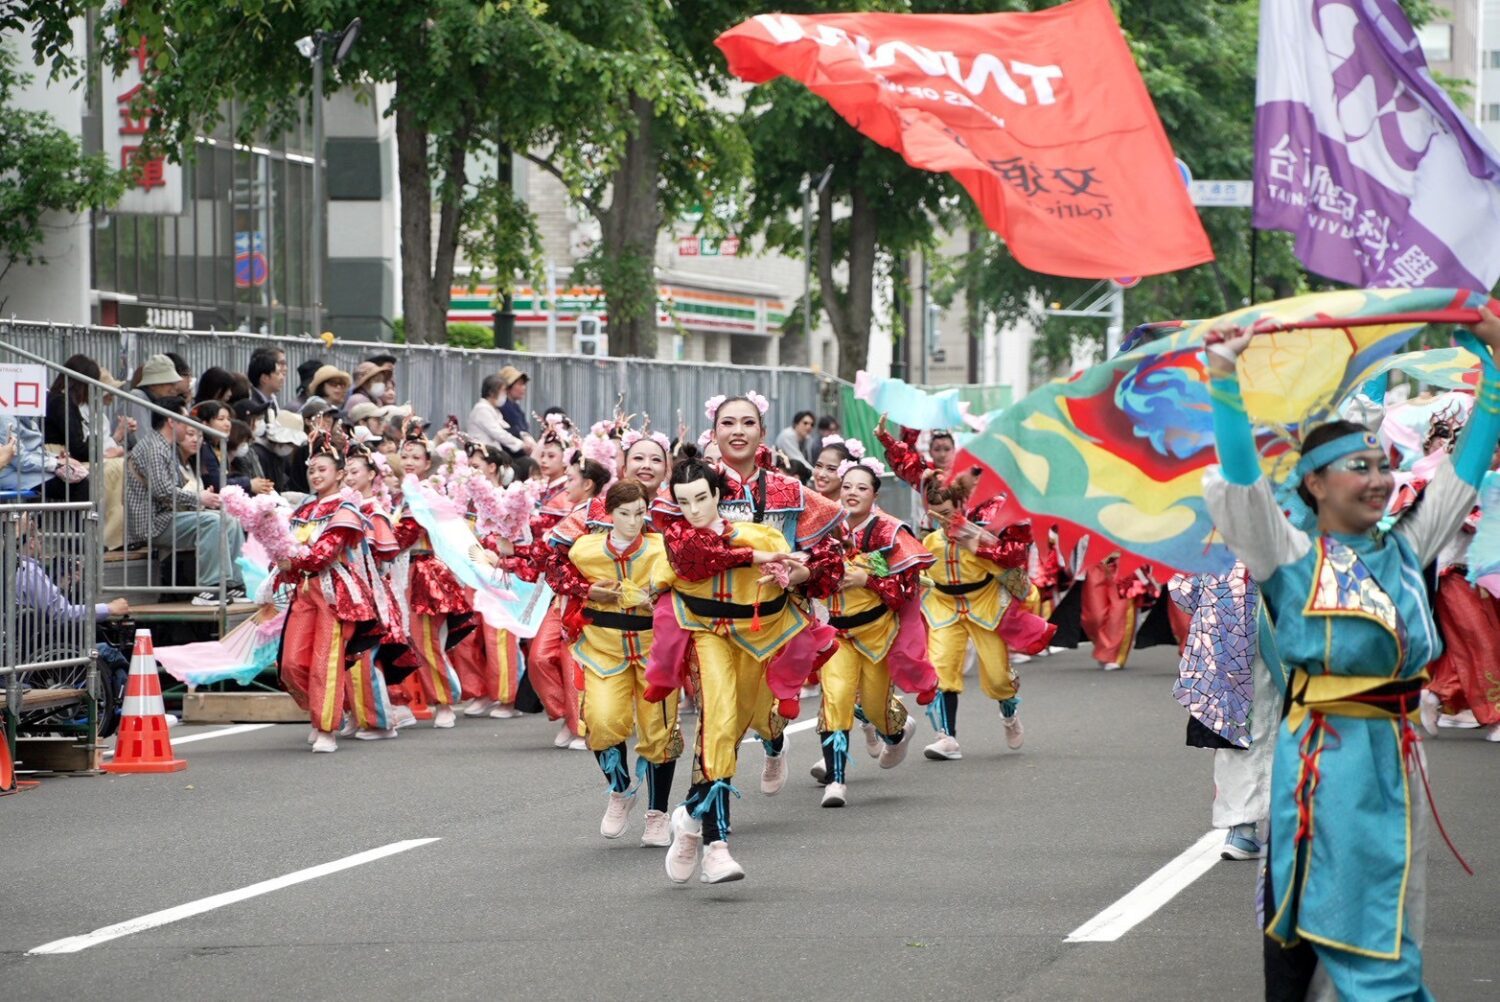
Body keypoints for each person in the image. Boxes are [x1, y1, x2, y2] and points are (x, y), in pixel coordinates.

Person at [1203, 312, 1500, 1001]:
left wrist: (1493, 364)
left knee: (1394, 918)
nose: (1378, 479)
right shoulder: (1289, 555)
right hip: (1325, 762)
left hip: (1396, 759)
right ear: (1314, 484)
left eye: (1383, 465)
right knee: (1350, 936)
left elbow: (1466, 469)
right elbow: (1245, 491)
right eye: (1358, 467)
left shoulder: (1405, 546)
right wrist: (1224, 379)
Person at [657, 456, 815, 884]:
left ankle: (689, 818)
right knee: (721, 722)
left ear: (718, 495)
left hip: (756, 639)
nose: (693, 509)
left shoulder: (757, 531)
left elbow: (802, 568)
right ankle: (717, 846)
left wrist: (789, 571)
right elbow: (693, 561)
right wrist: (761, 556)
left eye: (701, 498)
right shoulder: (676, 538)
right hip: (706, 636)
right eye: (683, 501)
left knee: (748, 724)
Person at [567, 480, 681, 845]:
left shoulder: (661, 549)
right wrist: (587, 591)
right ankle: (620, 790)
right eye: (623, 514)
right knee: (599, 722)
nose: (632, 522)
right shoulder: (584, 551)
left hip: (654, 652)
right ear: (608, 514)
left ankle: (658, 814)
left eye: (639, 513)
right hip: (603, 649)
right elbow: (559, 575)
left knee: (660, 733)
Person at [812, 458, 930, 806]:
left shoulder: (890, 532)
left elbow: (906, 590)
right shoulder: (824, 528)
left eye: (861, 488)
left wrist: (868, 578)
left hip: (877, 635)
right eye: (846, 486)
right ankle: (837, 781)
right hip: (837, 634)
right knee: (836, 699)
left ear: (875, 494)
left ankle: (897, 730)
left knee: (877, 709)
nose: (852, 493)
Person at [274, 431, 380, 753]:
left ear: (339, 473)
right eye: (312, 470)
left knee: (325, 660)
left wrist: (288, 559)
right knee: (291, 663)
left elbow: (324, 553)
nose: (317, 475)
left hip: (335, 591)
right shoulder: (303, 511)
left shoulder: (347, 507)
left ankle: (326, 727)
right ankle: (330, 707)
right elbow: (288, 551)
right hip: (304, 588)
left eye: (323, 469)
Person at [1168, 563, 1282, 861]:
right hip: (1267, 623)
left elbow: (1182, 589)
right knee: (1271, 724)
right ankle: (1270, 823)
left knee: (1233, 728)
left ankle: (1241, 827)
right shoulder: (1285, 517)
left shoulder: (1204, 528)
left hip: (1217, 630)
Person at [918, 478, 1030, 760]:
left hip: (984, 608)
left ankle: (1009, 713)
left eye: (946, 512)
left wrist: (1025, 593)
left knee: (997, 677)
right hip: (945, 609)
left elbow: (1008, 569)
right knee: (941, 669)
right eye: (935, 513)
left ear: (960, 505)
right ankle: (946, 737)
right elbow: (920, 577)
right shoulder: (929, 542)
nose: (941, 519)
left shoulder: (982, 537)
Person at [124, 396, 247, 606]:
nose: (189, 424)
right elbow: (163, 491)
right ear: (172, 421)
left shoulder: (164, 447)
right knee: (213, 522)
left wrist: (201, 499)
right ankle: (209, 588)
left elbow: (173, 490)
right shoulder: (155, 448)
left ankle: (234, 584)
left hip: (166, 517)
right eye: (185, 419)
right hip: (152, 523)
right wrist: (199, 497)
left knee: (230, 520)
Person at [466, 372, 530, 454]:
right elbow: (498, 433)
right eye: (503, 392)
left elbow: (506, 428)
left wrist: (523, 436)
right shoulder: (481, 410)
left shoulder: (494, 409)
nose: (505, 395)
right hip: (482, 455)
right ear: (491, 393)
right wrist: (521, 444)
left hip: (493, 453)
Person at [497, 366, 532, 451]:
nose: (524, 388)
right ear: (507, 387)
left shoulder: (515, 407)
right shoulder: (503, 407)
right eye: (520, 384)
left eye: (524, 384)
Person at [247, 347, 286, 420]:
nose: (282, 377)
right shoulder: (252, 404)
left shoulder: (272, 399)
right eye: (278, 373)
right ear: (264, 378)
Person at [774, 410, 816, 477]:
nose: (809, 427)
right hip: (781, 475)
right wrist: (815, 473)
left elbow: (808, 460)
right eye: (805, 423)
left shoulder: (807, 438)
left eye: (812, 425)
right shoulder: (788, 435)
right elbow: (797, 458)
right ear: (796, 424)